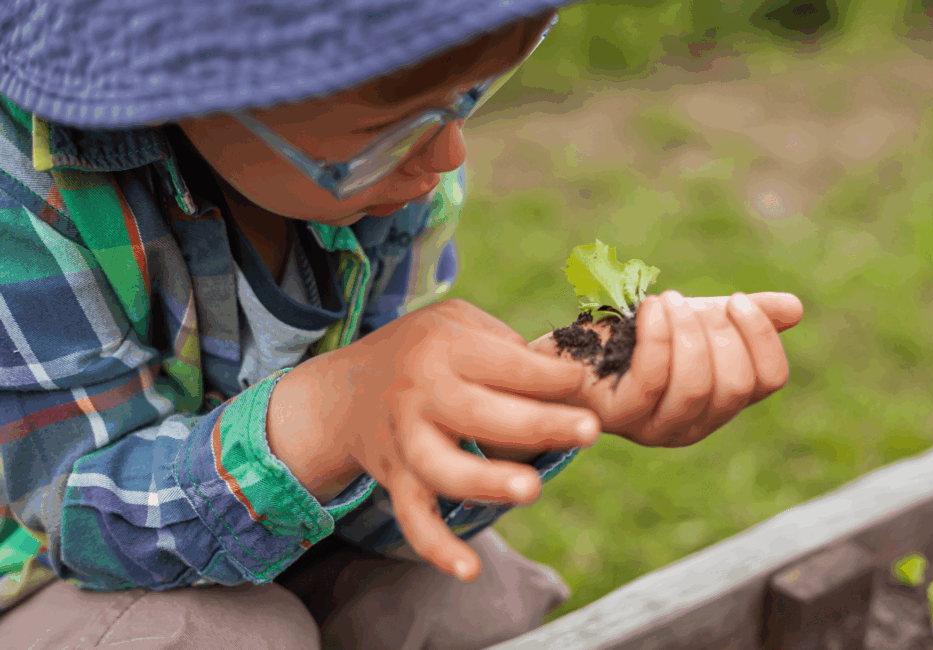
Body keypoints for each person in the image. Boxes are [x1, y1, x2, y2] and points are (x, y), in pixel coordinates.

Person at [0, 0, 803, 648]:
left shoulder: (386, 188)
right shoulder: (26, 195)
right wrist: (332, 414)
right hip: (35, 569)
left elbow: (384, 511)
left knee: (464, 602)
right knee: (215, 639)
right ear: (181, 88)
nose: (448, 153)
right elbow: (81, 519)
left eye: (469, 98)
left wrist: (546, 399)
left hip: (253, 531)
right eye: (392, 132)